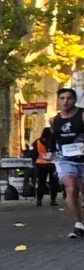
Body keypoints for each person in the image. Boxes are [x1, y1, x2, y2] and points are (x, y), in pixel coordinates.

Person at [47, 88, 84, 238]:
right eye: (62, 98)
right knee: (71, 188)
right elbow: (53, 137)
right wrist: (50, 151)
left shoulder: (82, 115)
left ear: (74, 100)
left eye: (69, 98)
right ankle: (78, 224)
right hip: (66, 159)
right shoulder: (54, 120)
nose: (65, 101)